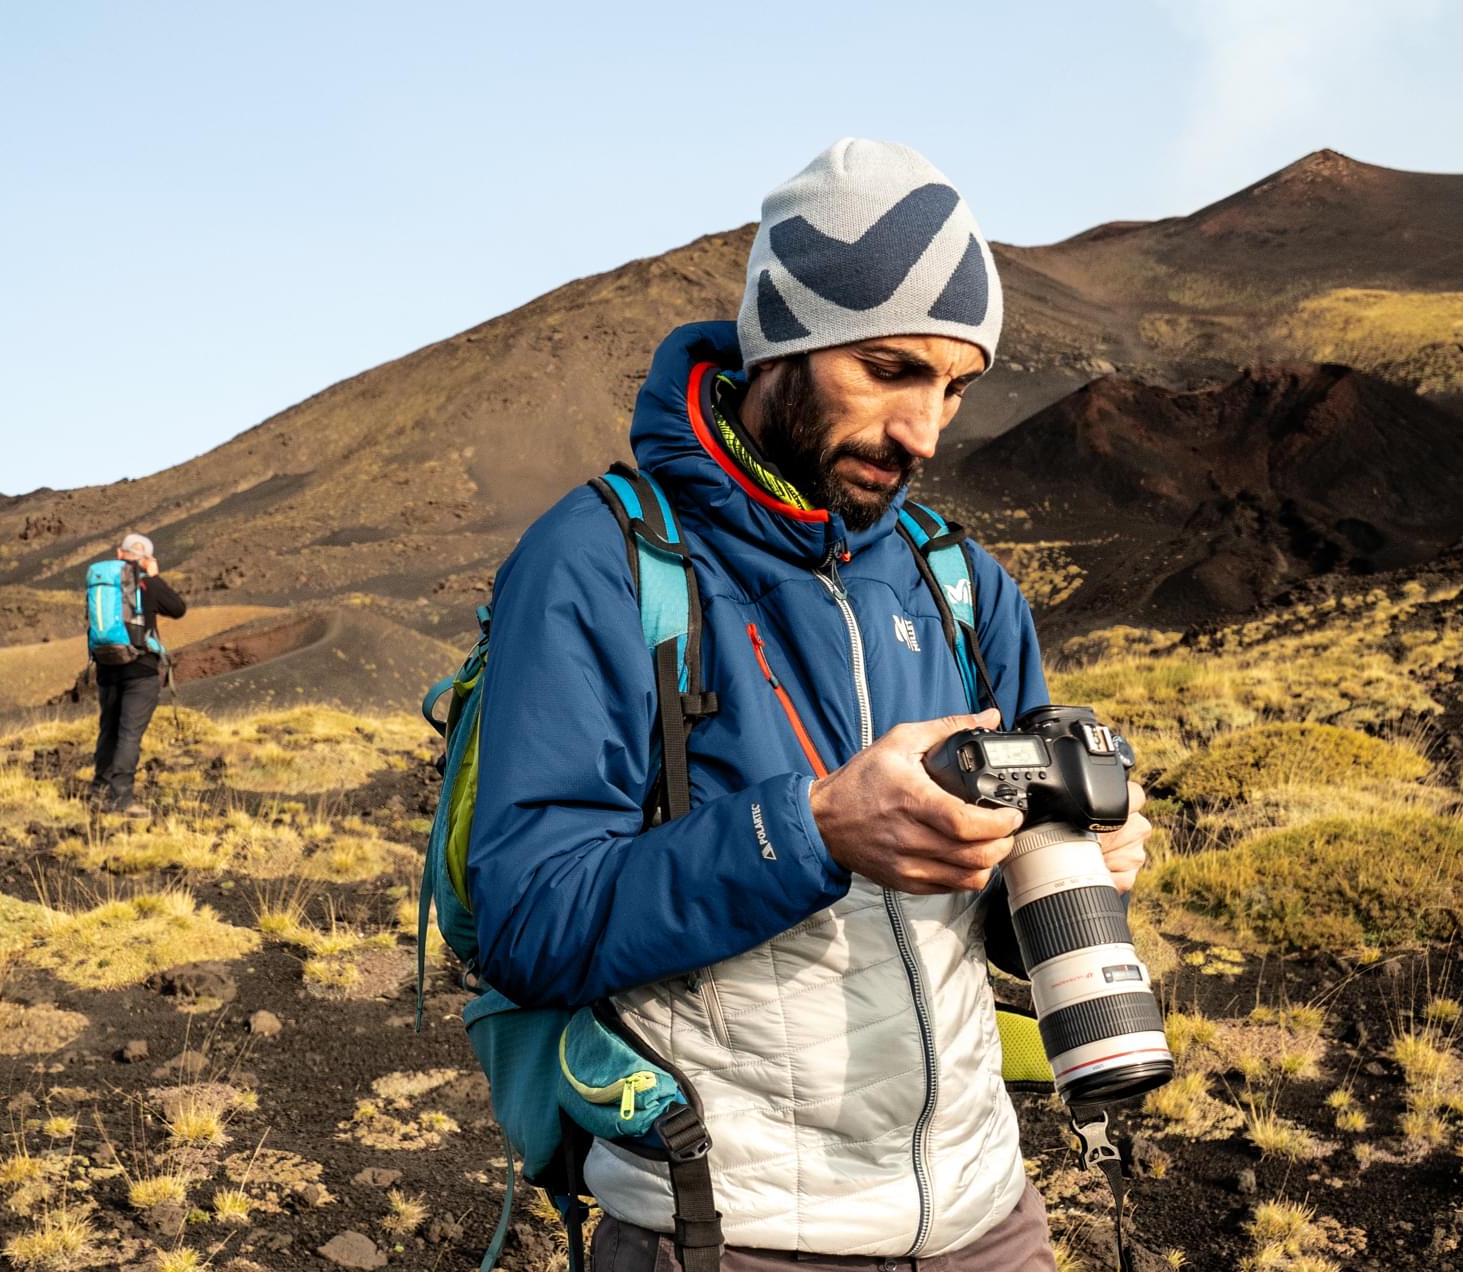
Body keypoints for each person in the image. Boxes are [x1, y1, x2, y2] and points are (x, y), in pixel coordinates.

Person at [468, 140, 1152, 1269]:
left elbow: (991, 922)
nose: (924, 433)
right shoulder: (599, 563)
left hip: (987, 1213)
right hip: (726, 1227)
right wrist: (813, 831)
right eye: (890, 370)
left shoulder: (962, 585)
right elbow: (526, 925)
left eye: (954, 387)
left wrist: (1071, 872)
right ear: (780, 343)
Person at [88, 533, 185, 818]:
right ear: (146, 559)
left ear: (120, 553)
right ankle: (121, 799)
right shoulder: (146, 583)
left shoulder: (102, 582)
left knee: (109, 729)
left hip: (106, 665)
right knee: (130, 734)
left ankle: (98, 791)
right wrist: (154, 577)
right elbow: (178, 609)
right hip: (140, 669)